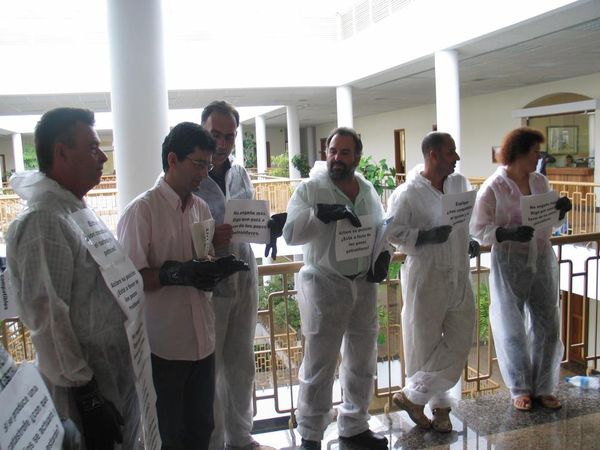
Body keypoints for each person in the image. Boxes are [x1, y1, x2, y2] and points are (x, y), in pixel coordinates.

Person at [5, 107, 139, 449]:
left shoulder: (74, 211)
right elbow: (49, 318)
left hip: (111, 379)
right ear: (61, 152)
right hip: (82, 395)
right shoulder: (44, 221)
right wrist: (88, 398)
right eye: (93, 148)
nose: (103, 158)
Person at [117, 122, 248, 449]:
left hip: (203, 342)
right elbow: (128, 282)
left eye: (208, 165)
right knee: (168, 436)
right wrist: (173, 274)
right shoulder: (141, 212)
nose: (205, 174)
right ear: (172, 160)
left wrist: (215, 267)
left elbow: (202, 259)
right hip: (164, 348)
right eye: (198, 164)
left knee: (201, 430)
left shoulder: (200, 208)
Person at [283, 127, 389, 450]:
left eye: (344, 152)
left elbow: (381, 229)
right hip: (325, 286)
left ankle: (355, 424)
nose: (336, 158)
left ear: (357, 156)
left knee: (362, 359)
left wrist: (384, 256)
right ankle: (311, 434)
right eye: (332, 151)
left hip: (363, 285)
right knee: (320, 364)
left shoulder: (367, 190)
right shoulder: (311, 189)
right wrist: (320, 214)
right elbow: (290, 233)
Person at [471, 127, 571, 411]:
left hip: (541, 257)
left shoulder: (539, 181)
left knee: (547, 324)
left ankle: (544, 387)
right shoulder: (494, 187)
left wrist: (561, 210)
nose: (539, 157)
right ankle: (520, 388)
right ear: (519, 152)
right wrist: (506, 233)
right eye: (535, 152)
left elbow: (550, 220)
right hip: (510, 260)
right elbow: (478, 228)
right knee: (512, 327)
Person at [194, 101, 275, 450]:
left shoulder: (239, 173)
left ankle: (241, 438)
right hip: (210, 285)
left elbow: (248, 220)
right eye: (215, 135)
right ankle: (214, 443)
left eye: (229, 137)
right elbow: (177, 231)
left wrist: (267, 228)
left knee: (242, 363)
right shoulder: (189, 175)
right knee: (210, 370)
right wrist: (211, 236)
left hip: (243, 275)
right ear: (202, 130)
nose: (222, 144)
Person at [386, 132, 477, 433]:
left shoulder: (459, 183)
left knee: (461, 337)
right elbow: (392, 232)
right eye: (451, 152)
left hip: (459, 273)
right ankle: (440, 408)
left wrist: (470, 239)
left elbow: (465, 220)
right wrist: (424, 236)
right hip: (427, 276)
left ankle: (412, 396)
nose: (457, 158)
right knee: (423, 344)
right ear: (433, 155)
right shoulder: (407, 193)